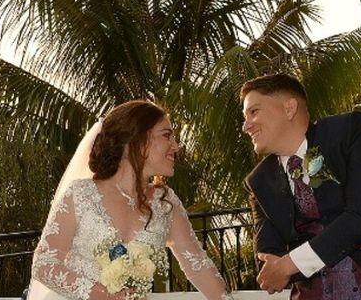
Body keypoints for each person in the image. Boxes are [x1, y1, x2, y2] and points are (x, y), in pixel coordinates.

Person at [241, 73, 361, 299]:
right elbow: (268, 265)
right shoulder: (258, 181)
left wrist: (291, 262)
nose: (246, 126)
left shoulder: (348, 133)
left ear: (289, 108)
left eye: (253, 112)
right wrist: (349, 243)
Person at [27, 100, 233, 300]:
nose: (176, 146)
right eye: (167, 136)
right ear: (134, 140)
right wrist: (99, 294)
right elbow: (44, 263)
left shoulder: (165, 202)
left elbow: (198, 265)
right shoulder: (81, 194)